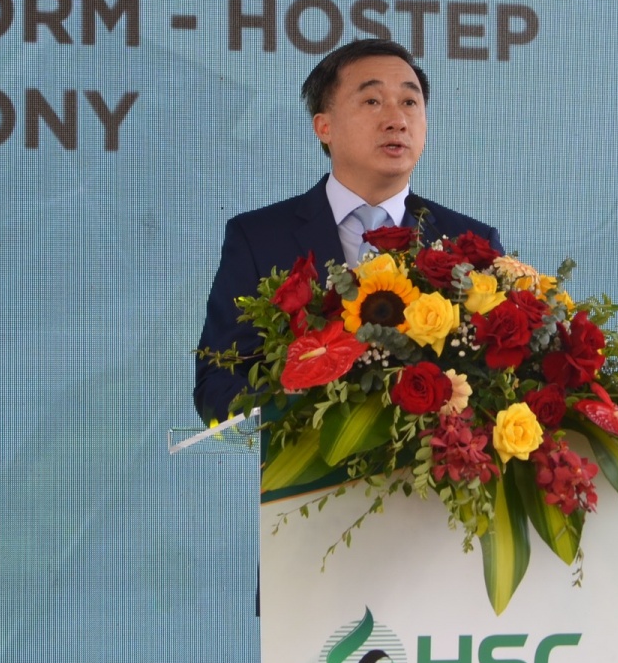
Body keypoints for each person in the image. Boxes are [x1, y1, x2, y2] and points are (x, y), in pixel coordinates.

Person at [194, 38, 501, 423]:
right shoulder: (259, 238)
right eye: (372, 101)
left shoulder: (471, 243)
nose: (397, 119)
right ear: (324, 126)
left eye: (410, 102)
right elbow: (216, 385)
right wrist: (295, 405)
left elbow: (504, 379)